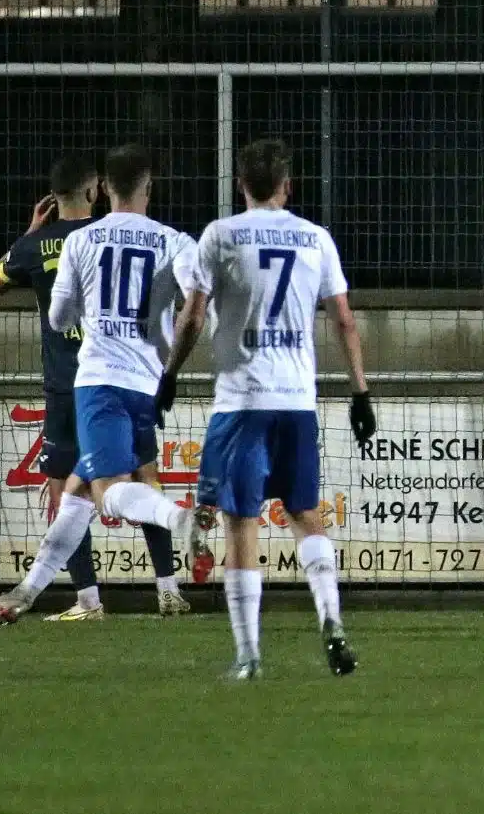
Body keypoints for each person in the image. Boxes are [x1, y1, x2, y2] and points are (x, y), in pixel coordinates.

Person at [156, 139, 377, 679]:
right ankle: (331, 618)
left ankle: (249, 655)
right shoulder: (315, 238)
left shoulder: (220, 235)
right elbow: (344, 319)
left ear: (240, 186)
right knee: (305, 514)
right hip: (297, 402)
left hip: (243, 401)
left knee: (241, 523)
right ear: (287, 186)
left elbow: (192, 316)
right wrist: (360, 392)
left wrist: (170, 374)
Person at [0, 145, 212, 625]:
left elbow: (59, 318)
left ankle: (180, 519)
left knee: (106, 492)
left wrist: (91, 310)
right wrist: (171, 366)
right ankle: (24, 594)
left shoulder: (82, 241)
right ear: (148, 187)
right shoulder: (175, 241)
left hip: (98, 383)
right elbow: (197, 309)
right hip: (149, 386)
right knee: (77, 494)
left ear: (105, 188)